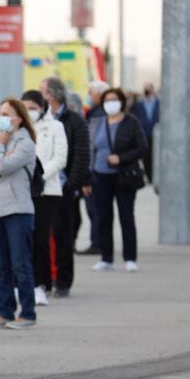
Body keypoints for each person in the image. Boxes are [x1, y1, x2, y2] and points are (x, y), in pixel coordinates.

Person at [0, 97, 38, 330]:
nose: (2, 118)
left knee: (20, 263)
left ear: (19, 117)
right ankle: (5, 311)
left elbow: (3, 167)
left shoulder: (24, 142)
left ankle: (27, 312)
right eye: (1, 113)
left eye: (7, 114)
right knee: (0, 264)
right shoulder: (2, 142)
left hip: (18, 210)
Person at [38, 77, 91, 299]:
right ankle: (43, 280)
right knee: (41, 236)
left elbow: (81, 154)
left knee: (63, 235)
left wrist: (72, 184)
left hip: (62, 187)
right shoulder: (40, 120)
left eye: (42, 92)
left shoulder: (74, 120)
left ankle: (63, 281)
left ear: (51, 95)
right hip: (41, 187)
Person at [90, 87, 148, 273]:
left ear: (122, 102)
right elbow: (91, 148)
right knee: (103, 218)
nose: (110, 103)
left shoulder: (131, 122)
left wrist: (121, 158)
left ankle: (130, 258)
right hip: (100, 175)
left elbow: (142, 147)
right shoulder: (97, 122)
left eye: (114, 99)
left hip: (123, 176)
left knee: (126, 217)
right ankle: (106, 258)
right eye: (107, 100)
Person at [20, 90, 68, 306]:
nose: (29, 111)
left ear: (42, 107)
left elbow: (59, 158)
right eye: (25, 106)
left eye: (33, 106)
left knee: (41, 238)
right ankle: (22, 284)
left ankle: (42, 284)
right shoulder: (17, 126)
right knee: (23, 239)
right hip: (20, 189)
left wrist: (37, 177)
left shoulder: (55, 126)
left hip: (47, 191)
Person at [80, 80, 111, 256]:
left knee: (96, 208)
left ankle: (98, 243)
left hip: (97, 169)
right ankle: (98, 242)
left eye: (91, 92)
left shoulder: (98, 115)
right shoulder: (96, 112)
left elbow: (91, 143)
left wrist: (87, 171)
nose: (89, 96)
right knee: (95, 208)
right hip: (97, 168)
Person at [132, 83, 159, 183]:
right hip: (143, 134)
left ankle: (154, 174)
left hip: (156, 135)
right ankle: (149, 175)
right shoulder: (139, 104)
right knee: (146, 156)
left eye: (149, 89)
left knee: (155, 155)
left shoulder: (159, 103)